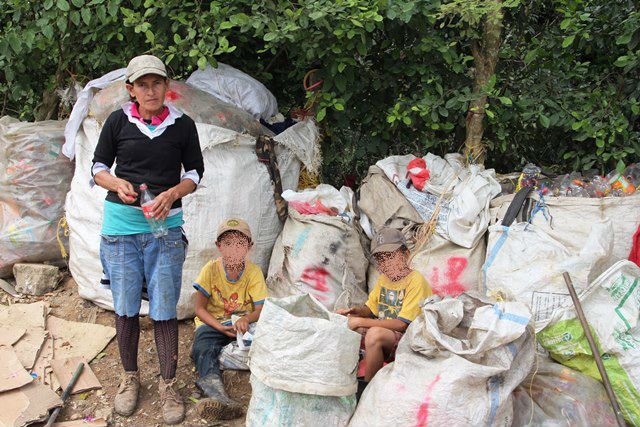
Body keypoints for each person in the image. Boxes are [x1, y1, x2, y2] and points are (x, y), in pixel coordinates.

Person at [91, 55, 204, 424]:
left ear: (166, 87)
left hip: (165, 229)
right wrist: (116, 184)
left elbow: (195, 173)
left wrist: (172, 194)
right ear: (131, 90)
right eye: (142, 84)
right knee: (125, 307)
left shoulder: (182, 125)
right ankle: (129, 379)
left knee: (164, 307)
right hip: (122, 227)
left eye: (157, 83)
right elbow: (98, 167)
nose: (150, 90)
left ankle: (168, 386)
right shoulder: (117, 121)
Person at [191, 218, 268, 421]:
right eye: (228, 244)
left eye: (240, 244)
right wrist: (220, 327)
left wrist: (246, 318)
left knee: (270, 337)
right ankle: (217, 395)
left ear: (249, 247)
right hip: (214, 324)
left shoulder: (253, 272)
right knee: (202, 347)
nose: (234, 249)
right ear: (219, 247)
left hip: (243, 325)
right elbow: (199, 309)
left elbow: (261, 308)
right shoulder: (211, 269)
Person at [337, 227, 432, 386]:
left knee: (374, 334)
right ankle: (345, 379)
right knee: (345, 323)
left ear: (406, 255)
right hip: (389, 337)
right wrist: (355, 312)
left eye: (391, 257)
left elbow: (401, 324)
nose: (386, 263)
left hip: (410, 342)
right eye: (381, 259)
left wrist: (361, 321)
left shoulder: (416, 280)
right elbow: (371, 310)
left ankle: (369, 388)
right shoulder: (384, 280)